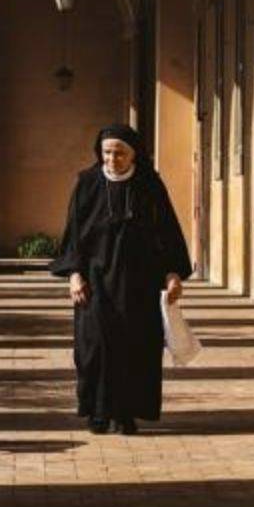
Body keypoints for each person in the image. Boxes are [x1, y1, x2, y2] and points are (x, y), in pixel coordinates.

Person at [50, 123, 192, 435]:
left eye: (120, 153)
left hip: (139, 282)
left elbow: (167, 231)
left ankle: (125, 414)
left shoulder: (150, 185)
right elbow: (73, 233)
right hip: (95, 282)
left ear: (134, 154)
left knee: (136, 348)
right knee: (95, 348)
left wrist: (172, 274)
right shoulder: (87, 183)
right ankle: (98, 413)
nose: (112, 160)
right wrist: (74, 275)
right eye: (107, 153)